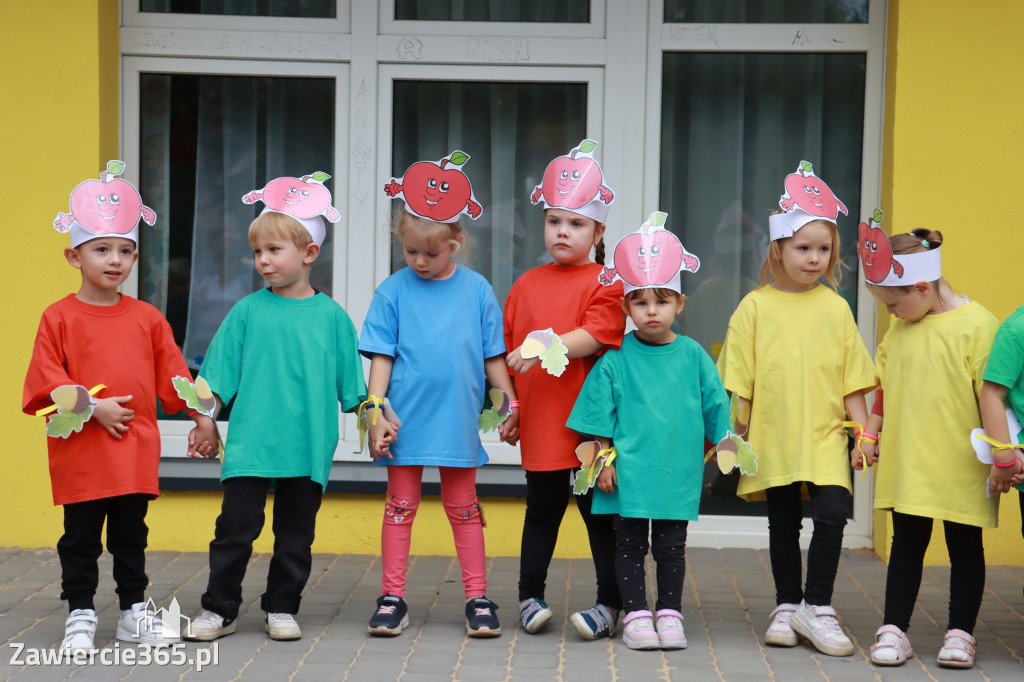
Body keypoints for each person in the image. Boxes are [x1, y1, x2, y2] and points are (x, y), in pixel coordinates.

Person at [23, 160, 219, 655]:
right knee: (81, 538)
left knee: (132, 536)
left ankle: (133, 612)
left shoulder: (148, 318)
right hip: (83, 453)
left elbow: (176, 374)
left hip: (132, 450)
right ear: (74, 255)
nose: (116, 260)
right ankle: (81, 613)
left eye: (126, 251)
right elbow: (47, 380)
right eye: (102, 249)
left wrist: (201, 416)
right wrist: (93, 407)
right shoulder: (58, 317)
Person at [183, 173, 365, 642]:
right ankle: (219, 608)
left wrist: (375, 418)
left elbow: (356, 391)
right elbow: (215, 377)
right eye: (258, 252)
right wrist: (205, 420)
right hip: (251, 443)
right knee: (234, 532)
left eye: (274, 250)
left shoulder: (334, 319)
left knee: (295, 538)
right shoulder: (246, 311)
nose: (263, 261)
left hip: (307, 448)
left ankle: (282, 606)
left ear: (309, 253)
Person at [717, 162, 876, 657]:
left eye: (823, 249)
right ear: (778, 250)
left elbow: (852, 377)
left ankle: (818, 606)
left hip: (827, 432)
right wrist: (731, 437)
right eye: (802, 248)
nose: (813, 258)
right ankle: (787, 604)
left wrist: (864, 432)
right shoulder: (754, 307)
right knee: (782, 521)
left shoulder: (836, 307)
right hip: (775, 432)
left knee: (832, 514)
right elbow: (738, 384)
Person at [361, 151, 518, 638]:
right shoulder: (392, 291)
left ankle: (478, 597)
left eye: (432, 252)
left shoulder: (477, 291)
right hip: (403, 420)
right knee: (399, 505)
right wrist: (374, 412)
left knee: (465, 507)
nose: (420, 262)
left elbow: (494, 356)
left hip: (454, 420)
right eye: (410, 252)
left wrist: (509, 403)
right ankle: (392, 596)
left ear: (456, 242)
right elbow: (381, 358)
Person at [566, 212, 734, 649]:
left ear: (680, 304)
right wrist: (601, 460)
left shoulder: (694, 355)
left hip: (675, 472)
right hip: (628, 475)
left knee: (671, 547)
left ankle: (671, 614)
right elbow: (597, 418)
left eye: (662, 301)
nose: (651, 310)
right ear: (626, 307)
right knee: (628, 545)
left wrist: (728, 445)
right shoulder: (615, 360)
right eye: (641, 302)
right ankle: (638, 614)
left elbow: (716, 404)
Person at [859, 220, 999, 669]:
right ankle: (894, 629)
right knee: (907, 544)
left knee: (964, 545)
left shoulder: (978, 326)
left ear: (921, 287)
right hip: (911, 461)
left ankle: (961, 633)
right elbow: (885, 385)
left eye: (893, 303)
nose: (891, 313)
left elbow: (993, 396)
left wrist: (1003, 455)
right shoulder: (899, 331)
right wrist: (871, 431)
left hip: (962, 462)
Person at [505, 140, 626, 640]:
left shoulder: (607, 280)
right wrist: (512, 406)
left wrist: (541, 346)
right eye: (555, 221)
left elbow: (595, 336)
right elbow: (511, 357)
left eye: (576, 224)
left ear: (598, 232)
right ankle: (528, 596)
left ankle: (611, 604)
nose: (563, 231)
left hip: (592, 432)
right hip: (542, 426)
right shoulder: (526, 283)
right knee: (541, 513)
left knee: (601, 520)